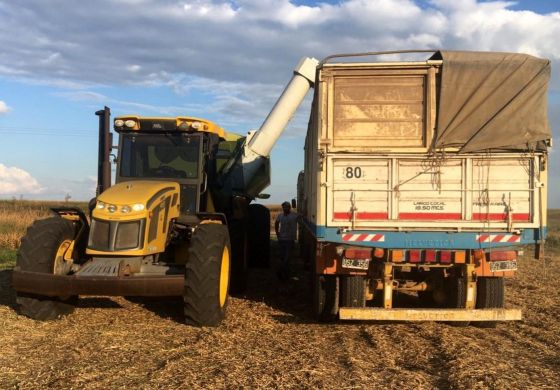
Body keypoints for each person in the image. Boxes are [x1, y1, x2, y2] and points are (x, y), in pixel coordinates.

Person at [275, 201, 299, 280]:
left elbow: (302, 219)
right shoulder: (280, 216)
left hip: (290, 240)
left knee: (287, 258)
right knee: (282, 257)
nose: (285, 208)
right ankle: (284, 273)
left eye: (287, 207)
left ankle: (282, 273)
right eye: (284, 207)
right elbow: (276, 223)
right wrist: (277, 234)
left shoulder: (294, 216)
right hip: (282, 239)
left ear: (289, 208)